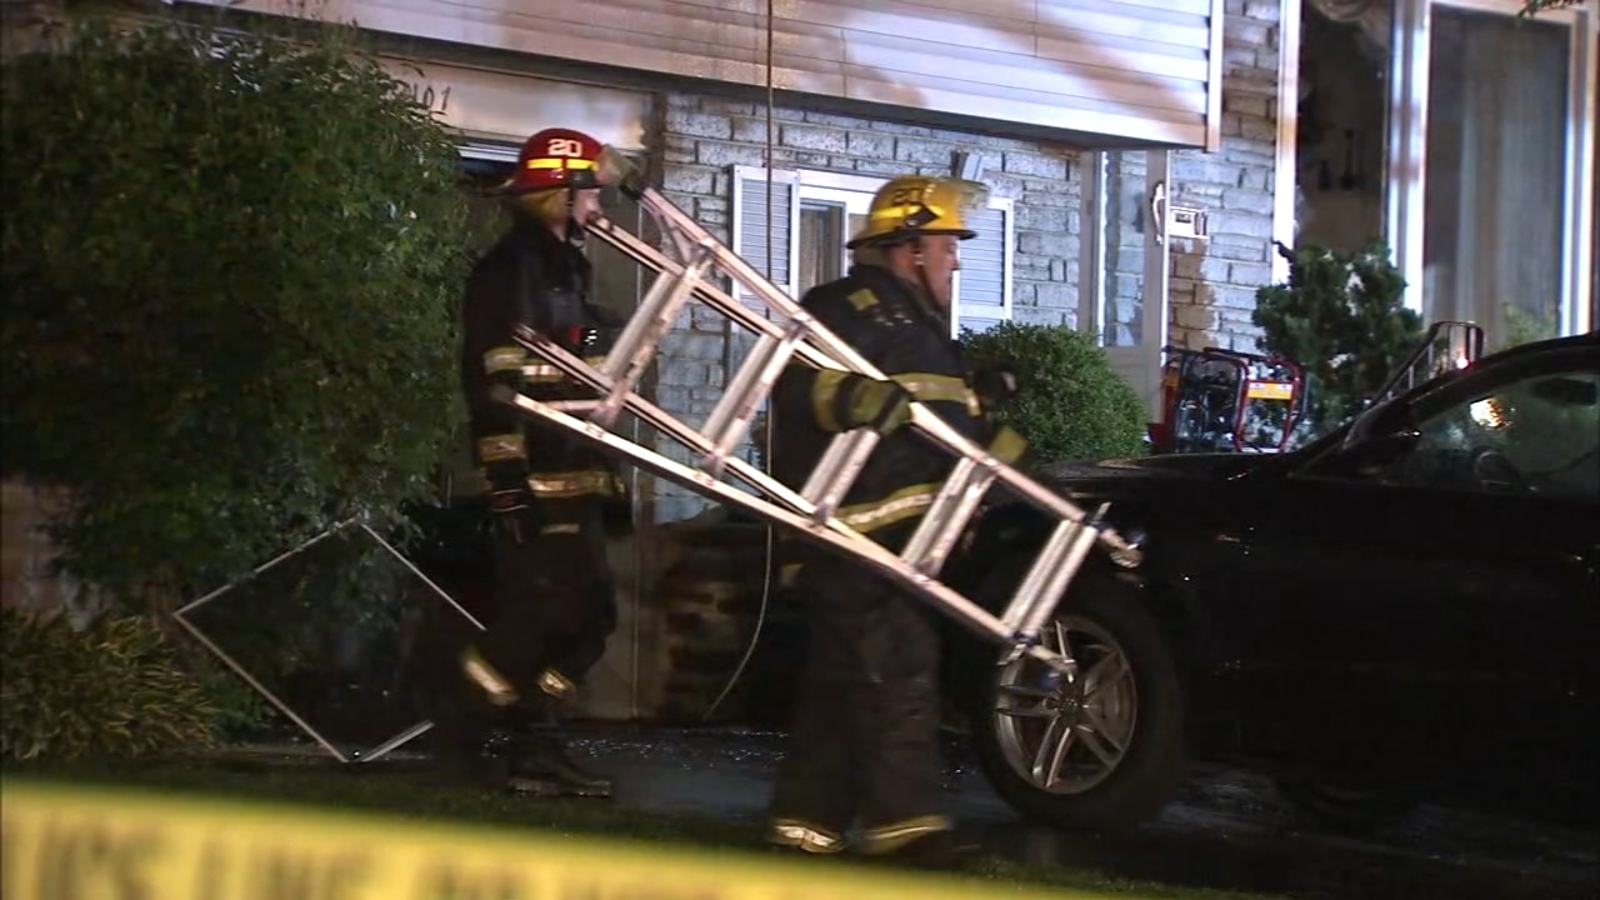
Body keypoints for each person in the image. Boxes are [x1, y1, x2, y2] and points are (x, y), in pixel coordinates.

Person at [763, 175, 1026, 867]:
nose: (956, 262)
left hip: (896, 537)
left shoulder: (916, 327)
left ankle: (803, 824)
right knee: (898, 673)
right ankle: (906, 828)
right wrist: (850, 397)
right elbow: (800, 385)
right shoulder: (845, 307)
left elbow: (949, 428)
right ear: (910, 248)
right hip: (857, 535)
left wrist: (1025, 473)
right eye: (948, 246)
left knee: (844, 682)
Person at [434, 127, 631, 798]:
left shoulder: (567, 269)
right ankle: (468, 724)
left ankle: (535, 739)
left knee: (591, 616)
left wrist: (602, 334)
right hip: (536, 479)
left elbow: (579, 354)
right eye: (590, 192)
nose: (598, 205)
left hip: (576, 474)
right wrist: (508, 484)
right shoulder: (509, 269)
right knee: (540, 620)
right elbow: (494, 379)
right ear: (559, 194)